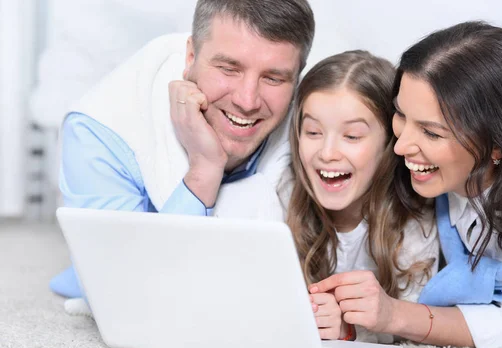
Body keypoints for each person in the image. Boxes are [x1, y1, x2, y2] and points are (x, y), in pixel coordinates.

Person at [309, 21, 502, 348]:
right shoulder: (447, 169)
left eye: (431, 133)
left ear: (499, 144)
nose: (401, 145)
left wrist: (394, 315)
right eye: (401, 114)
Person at [50, 0, 315, 298]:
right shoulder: (100, 130)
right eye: (229, 69)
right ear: (190, 57)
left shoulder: (314, 131)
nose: (247, 100)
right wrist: (204, 170)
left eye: (273, 78)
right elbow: (121, 291)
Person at [281, 50, 439, 343]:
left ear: (390, 144)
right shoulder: (282, 196)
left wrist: (348, 329)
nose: (327, 153)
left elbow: (412, 325)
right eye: (313, 132)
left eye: (352, 136)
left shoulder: (416, 227)